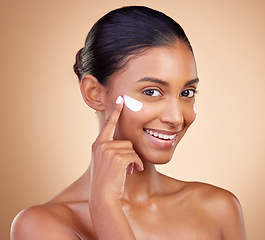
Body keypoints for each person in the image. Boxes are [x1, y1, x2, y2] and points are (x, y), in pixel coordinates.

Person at [11, 6, 246, 240]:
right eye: (152, 91)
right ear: (95, 93)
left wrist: (104, 206)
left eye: (186, 93)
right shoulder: (41, 226)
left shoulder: (219, 209)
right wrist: (104, 206)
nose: (176, 118)